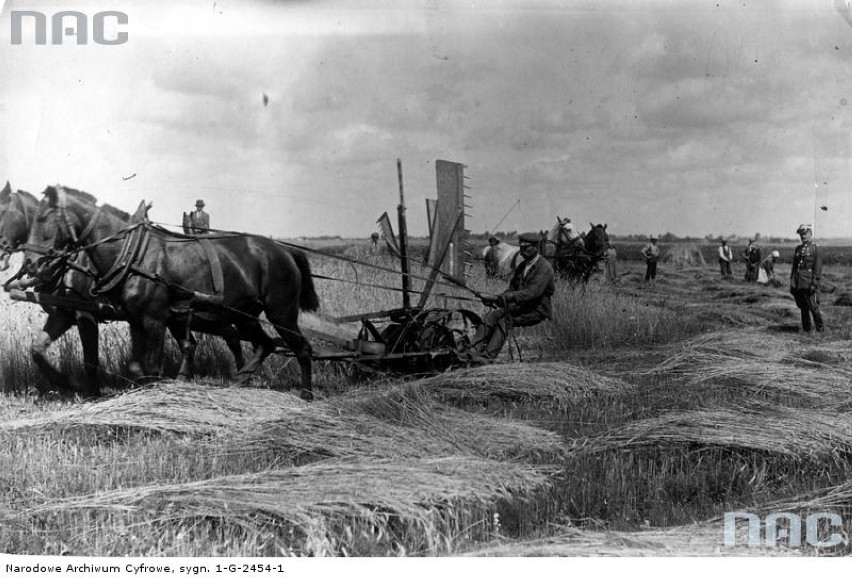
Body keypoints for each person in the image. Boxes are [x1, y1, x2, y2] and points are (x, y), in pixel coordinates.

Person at [471, 232, 555, 359]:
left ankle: (487, 357)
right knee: (491, 316)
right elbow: (512, 289)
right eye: (521, 247)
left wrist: (506, 298)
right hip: (521, 308)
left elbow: (533, 293)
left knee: (505, 320)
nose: (522, 250)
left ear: (535, 247)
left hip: (537, 310)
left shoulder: (544, 267)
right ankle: (472, 350)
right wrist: (496, 299)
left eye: (526, 247)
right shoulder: (522, 266)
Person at [790, 224, 824, 332]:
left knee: (813, 306)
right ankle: (807, 330)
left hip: (810, 282)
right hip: (799, 282)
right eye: (801, 234)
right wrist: (792, 282)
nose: (802, 236)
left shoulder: (815, 248)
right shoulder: (798, 249)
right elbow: (794, 267)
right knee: (803, 307)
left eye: (805, 234)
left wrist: (814, 283)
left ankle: (820, 329)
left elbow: (817, 268)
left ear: (810, 234)